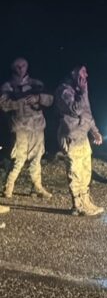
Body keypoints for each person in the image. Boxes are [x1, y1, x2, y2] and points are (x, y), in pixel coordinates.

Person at [0, 58, 55, 199]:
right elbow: (3, 104)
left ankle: (37, 187)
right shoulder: (8, 86)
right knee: (19, 158)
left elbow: (50, 100)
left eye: (23, 65)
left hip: (37, 126)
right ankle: (8, 186)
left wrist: (38, 98)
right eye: (17, 66)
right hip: (21, 127)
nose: (20, 68)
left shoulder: (36, 84)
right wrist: (20, 102)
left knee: (37, 158)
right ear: (13, 67)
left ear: (27, 66)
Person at [55, 66, 104, 216]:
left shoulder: (79, 90)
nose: (86, 75)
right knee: (75, 172)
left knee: (86, 171)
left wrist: (95, 131)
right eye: (82, 72)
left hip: (82, 136)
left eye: (86, 72)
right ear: (73, 73)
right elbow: (75, 110)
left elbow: (87, 112)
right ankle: (78, 205)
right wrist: (83, 92)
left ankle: (86, 201)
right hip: (71, 136)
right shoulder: (64, 91)